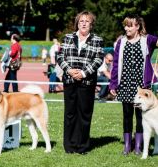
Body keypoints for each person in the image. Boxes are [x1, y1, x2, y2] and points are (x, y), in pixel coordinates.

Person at [109, 15, 158, 155]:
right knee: (126, 115)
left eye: (130, 25)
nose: (126, 28)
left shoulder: (148, 39)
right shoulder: (121, 42)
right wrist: (113, 84)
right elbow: (116, 64)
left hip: (142, 86)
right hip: (124, 85)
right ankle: (127, 146)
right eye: (125, 25)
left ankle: (138, 146)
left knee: (141, 117)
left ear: (137, 26)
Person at [57, 11, 104, 154]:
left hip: (87, 82)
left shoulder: (98, 40)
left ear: (91, 24)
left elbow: (98, 59)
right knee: (70, 113)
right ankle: (69, 146)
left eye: (87, 21)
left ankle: (82, 146)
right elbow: (60, 56)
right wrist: (69, 71)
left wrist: (83, 73)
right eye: (81, 21)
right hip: (70, 80)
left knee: (84, 114)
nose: (83, 23)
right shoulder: (67, 38)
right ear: (77, 23)